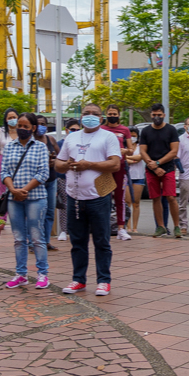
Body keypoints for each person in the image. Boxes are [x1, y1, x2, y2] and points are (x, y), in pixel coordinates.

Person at [55, 103, 123, 296]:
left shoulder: (108, 137)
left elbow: (115, 164)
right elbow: (59, 164)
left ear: (101, 118)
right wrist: (66, 164)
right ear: (80, 116)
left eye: (94, 114)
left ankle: (103, 280)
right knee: (77, 241)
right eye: (86, 113)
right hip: (74, 197)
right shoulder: (71, 137)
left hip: (98, 196)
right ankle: (78, 280)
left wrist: (89, 165)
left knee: (101, 241)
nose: (90, 116)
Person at [0, 112, 51, 289]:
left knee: (37, 237)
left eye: (25, 127)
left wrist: (24, 190)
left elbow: (43, 173)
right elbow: (4, 171)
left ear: (33, 128)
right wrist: (13, 190)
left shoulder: (40, 147)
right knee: (19, 238)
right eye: (19, 126)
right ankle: (20, 274)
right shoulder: (9, 146)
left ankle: (42, 274)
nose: (21, 129)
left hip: (35, 197)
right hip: (14, 199)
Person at [138, 104, 181, 238]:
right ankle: (160, 226)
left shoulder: (171, 130)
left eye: (159, 115)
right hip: (151, 170)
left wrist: (158, 163)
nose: (156, 117)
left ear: (164, 115)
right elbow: (142, 151)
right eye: (154, 115)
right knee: (155, 198)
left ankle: (177, 226)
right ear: (151, 115)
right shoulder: (145, 131)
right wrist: (154, 167)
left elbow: (174, 151)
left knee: (170, 197)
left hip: (167, 168)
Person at [100, 105, 133, 241]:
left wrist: (123, 150)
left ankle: (121, 228)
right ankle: (103, 227)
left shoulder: (124, 130)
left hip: (120, 168)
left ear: (119, 115)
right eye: (110, 113)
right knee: (104, 198)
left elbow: (131, 149)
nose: (112, 116)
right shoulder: (101, 129)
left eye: (115, 113)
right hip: (105, 169)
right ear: (106, 115)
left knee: (120, 198)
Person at [35, 114, 61, 249]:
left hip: (51, 180)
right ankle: (33, 242)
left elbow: (61, 156)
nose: (41, 127)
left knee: (50, 211)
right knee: (35, 213)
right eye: (39, 124)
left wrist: (54, 161)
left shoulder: (50, 139)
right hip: (36, 183)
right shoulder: (30, 141)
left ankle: (45, 241)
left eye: (44, 124)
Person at [56, 119, 81, 241]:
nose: (75, 132)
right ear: (66, 130)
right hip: (63, 178)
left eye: (77, 130)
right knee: (65, 205)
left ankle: (75, 230)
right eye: (72, 130)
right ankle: (63, 230)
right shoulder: (60, 143)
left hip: (79, 178)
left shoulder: (82, 143)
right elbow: (58, 162)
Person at [125, 126, 146, 234]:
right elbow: (121, 158)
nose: (132, 137)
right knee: (127, 202)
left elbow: (140, 157)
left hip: (138, 177)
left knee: (136, 203)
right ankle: (128, 227)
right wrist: (131, 159)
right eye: (130, 135)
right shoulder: (124, 147)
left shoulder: (140, 147)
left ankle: (135, 227)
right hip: (126, 177)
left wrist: (128, 159)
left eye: (134, 135)